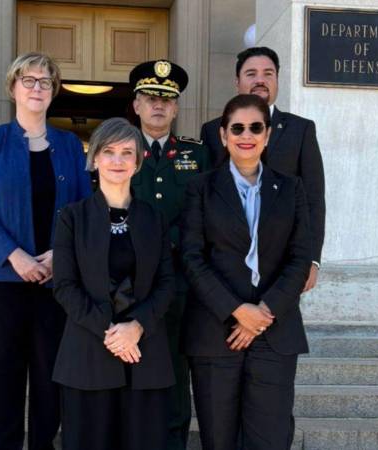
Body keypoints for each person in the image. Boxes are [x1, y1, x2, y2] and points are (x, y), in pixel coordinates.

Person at [0, 51, 92, 450]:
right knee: (1, 380)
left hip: (55, 284)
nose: (37, 88)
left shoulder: (71, 145)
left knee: (49, 381)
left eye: (45, 81)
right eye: (29, 80)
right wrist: (14, 255)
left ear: (53, 92)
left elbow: (85, 208)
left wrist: (60, 254)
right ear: (13, 88)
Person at [182, 94, 311, 450]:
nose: (246, 134)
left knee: (269, 440)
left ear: (267, 135)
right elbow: (192, 258)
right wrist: (238, 311)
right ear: (223, 135)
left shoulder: (291, 188)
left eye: (256, 127)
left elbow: (300, 258)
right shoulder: (201, 188)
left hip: (275, 333)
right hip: (215, 333)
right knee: (218, 440)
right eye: (237, 127)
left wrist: (263, 313)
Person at [52, 117, 176, 450]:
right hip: (87, 356)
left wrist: (136, 328)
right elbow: (64, 285)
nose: (117, 161)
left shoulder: (155, 218)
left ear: (138, 163)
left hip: (145, 356)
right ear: (93, 159)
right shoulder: (71, 217)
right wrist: (111, 332)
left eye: (127, 152)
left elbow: (167, 283)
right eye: (109, 152)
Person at [128, 59, 211, 450]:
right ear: (136, 106)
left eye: (167, 99)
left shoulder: (198, 154)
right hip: (131, 281)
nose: (158, 105)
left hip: (181, 281)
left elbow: (205, 214)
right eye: (149, 97)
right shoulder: (118, 152)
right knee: (131, 362)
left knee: (177, 367)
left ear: (176, 108)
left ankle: (174, 441)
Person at [200, 46, 325, 292]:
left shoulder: (301, 130)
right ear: (237, 82)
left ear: (277, 80)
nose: (260, 80)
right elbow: (206, 197)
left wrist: (312, 259)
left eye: (268, 73)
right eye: (251, 73)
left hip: (284, 263)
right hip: (226, 263)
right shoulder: (213, 131)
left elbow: (313, 199)